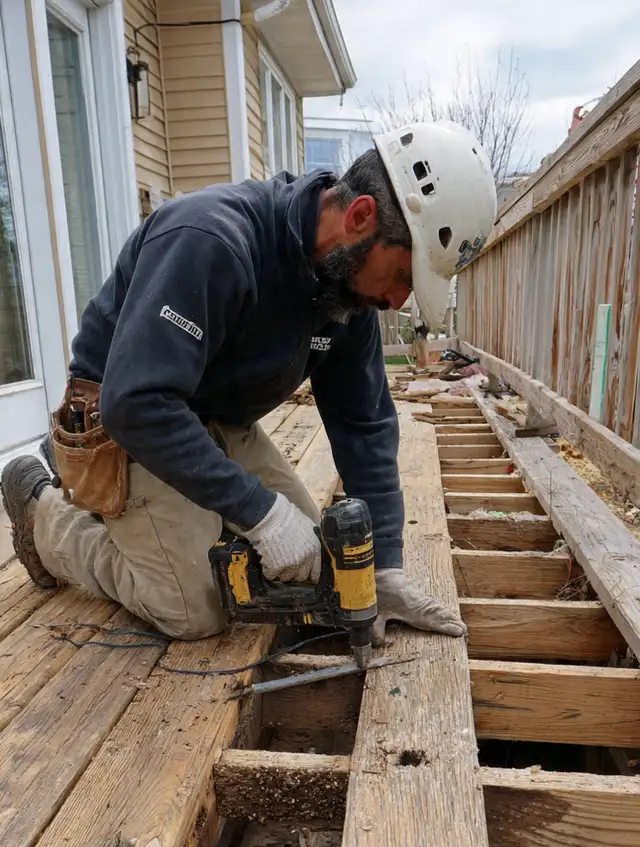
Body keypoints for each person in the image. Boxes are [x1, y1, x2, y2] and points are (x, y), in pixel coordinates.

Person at [1, 121, 496, 645]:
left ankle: (159, 523)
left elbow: (365, 425)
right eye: (403, 276)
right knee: (194, 607)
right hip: (124, 421)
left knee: (325, 571)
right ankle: (42, 512)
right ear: (360, 217)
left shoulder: (345, 297)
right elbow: (135, 403)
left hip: (206, 416)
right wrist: (260, 514)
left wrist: (384, 566)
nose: (399, 300)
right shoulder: (211, 240)